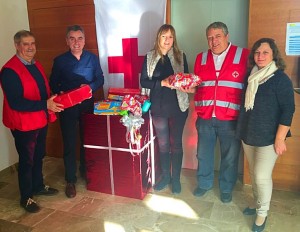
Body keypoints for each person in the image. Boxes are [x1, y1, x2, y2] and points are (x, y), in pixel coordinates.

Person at [0, 30, 64, 213]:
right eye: (25, 44)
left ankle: (38, 186)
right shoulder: (9, 71)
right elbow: (16, 102)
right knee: (27, 161)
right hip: (24, 125)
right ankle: (26, 197)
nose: (30, 47)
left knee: (38, 156)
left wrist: (53, 97)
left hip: (40, 120)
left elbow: (41, 90)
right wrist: (46, 104)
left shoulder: (34, 65)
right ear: (17, 46)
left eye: (32, 43)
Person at [236, 38, 295, 232]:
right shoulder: (250, 75)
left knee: (261, 176)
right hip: (249, 133)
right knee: (253, 173)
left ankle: (262, 212)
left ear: (273, 55)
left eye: (265, 53)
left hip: (269, 138)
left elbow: (288, 110)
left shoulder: (280, 79)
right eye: (257, 52)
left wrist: (280, 139)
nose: (260, 56)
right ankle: (257, 202)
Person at [192, 22, 249, 203]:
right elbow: (197, 87)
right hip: (205, 117)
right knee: (203, 154)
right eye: (209, 37)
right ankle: (204, 184)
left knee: (230, 157)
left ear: (226, 36)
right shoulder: (200, 58)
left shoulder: (244, 56)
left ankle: (226, 188)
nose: (213, 41)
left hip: (231, 119)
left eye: (217, 36)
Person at [49, 25, 104, 198]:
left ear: (84, 40)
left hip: (87, 106)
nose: (76, 42)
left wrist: (90, 87)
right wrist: (63, 95)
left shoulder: (92, 59)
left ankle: (86, 173)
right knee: (70, 143)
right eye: (72, 38)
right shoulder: (59, 61)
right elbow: (53, 84)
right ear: (67, 41)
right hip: (68, 108)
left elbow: (100, 78)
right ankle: (70, 180)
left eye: (79, 38)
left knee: (86, 141)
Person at [140, 24, 190, 194]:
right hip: (158, 108)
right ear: (158, 38)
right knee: (162, 144)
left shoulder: (181, 57)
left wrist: (186, 84)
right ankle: (166, 178)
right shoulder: (149, 57)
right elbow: (144, 82)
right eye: (164, 36)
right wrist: (162, 82)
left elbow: (186, 80)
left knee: (176, 144)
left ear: (173, 39)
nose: (167, 40)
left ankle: (175, 179)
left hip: (178, 108)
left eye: (170, 37)